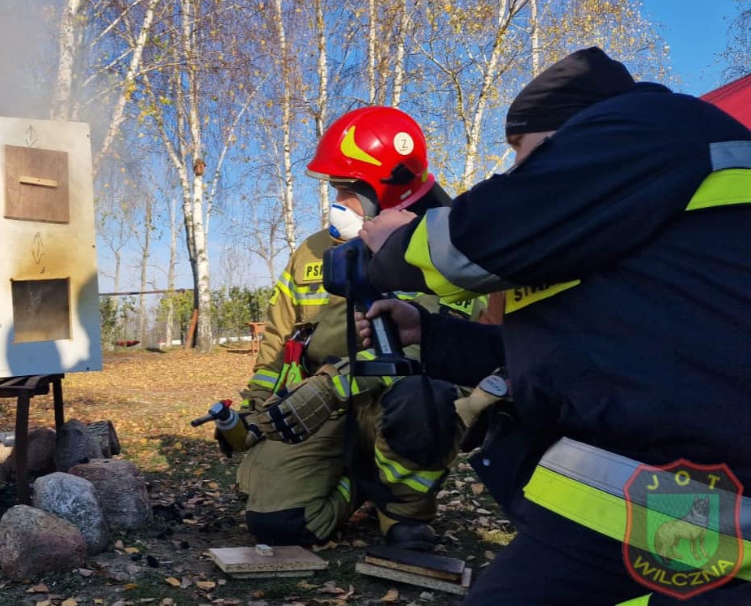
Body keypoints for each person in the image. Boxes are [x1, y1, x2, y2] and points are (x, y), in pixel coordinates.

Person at [359, 47, 751, 604]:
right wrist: (431, 332)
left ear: (563, 134)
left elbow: (469, 241)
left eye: (520, 150)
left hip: (686, 505)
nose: (520, 170)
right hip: (674, 494)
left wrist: (391, 243)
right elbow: (573, 354)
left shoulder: (639, 127)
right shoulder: (643, 190)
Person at [233, 106, 480, 551]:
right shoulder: (311, 251)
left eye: (346, 189)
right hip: (316, 408)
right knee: (278, 523)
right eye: (335, 187)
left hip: (388, 402)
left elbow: (444, 346)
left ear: (386, 193)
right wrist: (253, 410)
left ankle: (403, 512)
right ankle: (361, 483)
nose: (335, 200)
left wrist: (337, 383)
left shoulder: (442, 248)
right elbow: (276, 342)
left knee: (424, 400)